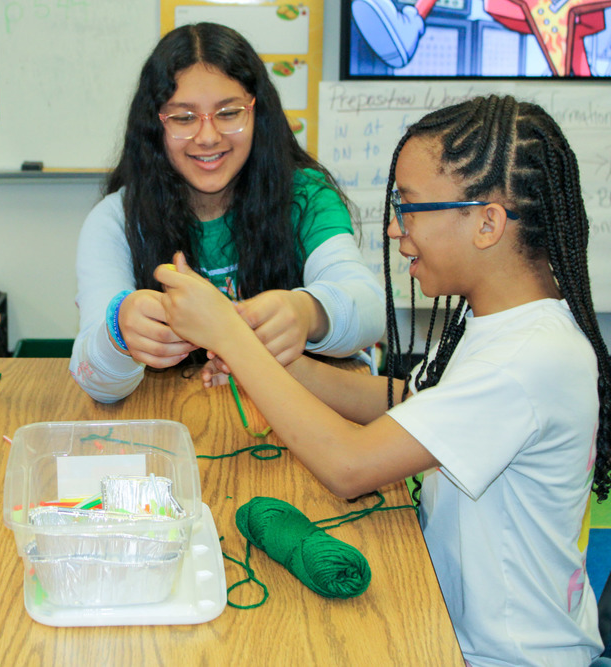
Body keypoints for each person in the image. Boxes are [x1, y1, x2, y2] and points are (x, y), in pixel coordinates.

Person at [156, 94, 610, 665]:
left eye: (411, 207)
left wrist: (235, 342)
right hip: (456, 623)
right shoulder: (500, 321)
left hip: (503, 657)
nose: (395, 229)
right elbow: (403, 403)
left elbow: (352, 464)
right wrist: (271, 360)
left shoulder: (528, 360)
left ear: (488, 222)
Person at [69, 22, 384, 403]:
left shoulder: (305, 196)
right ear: (155, 125)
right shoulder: (115, 219)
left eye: (229, 113)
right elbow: (91, 378)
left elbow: (369, 309)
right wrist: (119, 332)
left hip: (299, 426)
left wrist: (307, 311)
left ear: (257, 112)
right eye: (184, 118)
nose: (207, 136)